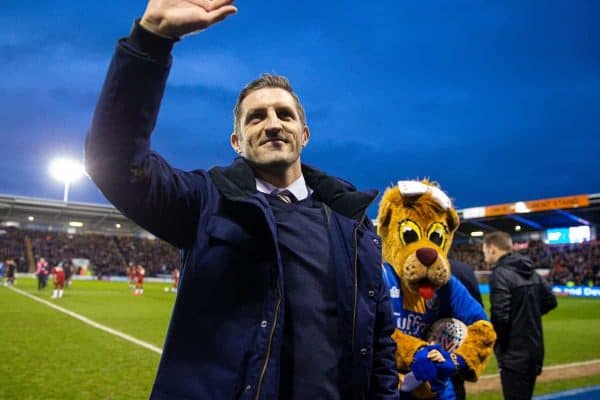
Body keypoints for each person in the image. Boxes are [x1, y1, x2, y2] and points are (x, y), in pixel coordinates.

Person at [83, 1, 398, 399]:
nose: (272, 124)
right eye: (256, 117)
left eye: (284, 115)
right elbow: (113, 163)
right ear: (237, 141)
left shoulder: (351, 226)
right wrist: (152, 39)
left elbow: (380, 344)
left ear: (304, 135)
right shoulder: (204, 202)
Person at [483, 232, 557, 400]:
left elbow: (500, 316)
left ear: (492, 249)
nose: (484, 255)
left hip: (514, 355)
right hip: (534, 349)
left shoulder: (500, 274)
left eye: (485, 251)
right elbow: (551, 301)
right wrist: (527, 316)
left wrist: (498, 345)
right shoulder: (531, 270)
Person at [448, 259, 482, 400]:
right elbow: (477, 313)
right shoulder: (464, 269)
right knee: (456, 387)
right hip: (456, 345)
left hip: (421, 345)